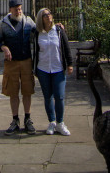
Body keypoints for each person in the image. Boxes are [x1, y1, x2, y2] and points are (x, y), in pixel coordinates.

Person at [0, 0, 36, 135]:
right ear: (10, 9)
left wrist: (53, 25)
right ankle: (15, 120)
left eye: (20, 8)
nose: (19, 11)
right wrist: (3, 47)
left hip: (26, 60)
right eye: (16, 9)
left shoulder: (28, 21)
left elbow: (40, 31)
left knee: (27, 90)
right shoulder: (3, 24)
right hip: (11, 62)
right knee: (12, 91)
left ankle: (28, 119)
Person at [33, 8, 73, 136]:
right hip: (43, 69)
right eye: (45, 15)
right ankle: (52, 122)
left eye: (49, 14)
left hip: (58, 68)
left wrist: (70, 64)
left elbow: (66, 47)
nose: (48, 16)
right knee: (47, 96)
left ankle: (60, 123)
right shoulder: (36, 33)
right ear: (41, 18)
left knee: (59, 96)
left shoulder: (59, 30)